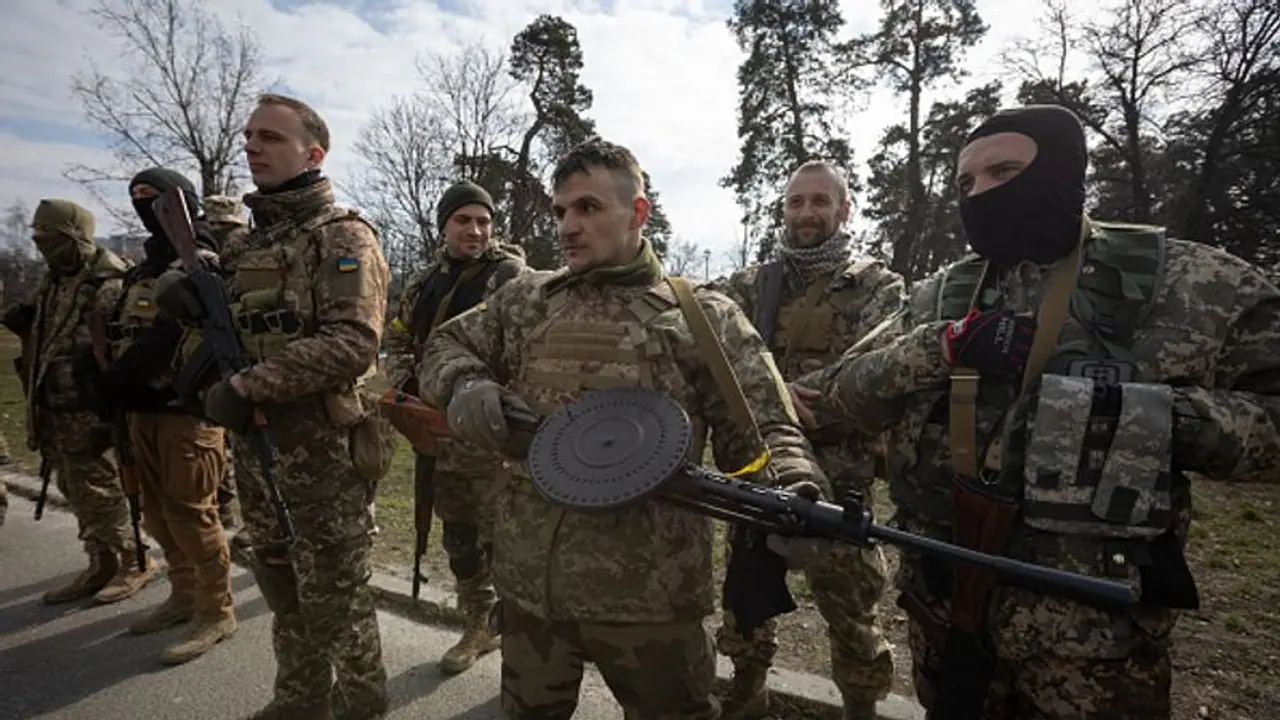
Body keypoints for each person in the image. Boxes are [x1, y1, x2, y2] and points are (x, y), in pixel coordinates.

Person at [802, 104, 1280, 719]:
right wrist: (942, 348)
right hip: (948, 615)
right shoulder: (941, 296)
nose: (981, 193)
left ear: (1064, 171)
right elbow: (833, 396)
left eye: (1003, 172)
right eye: (966, 183)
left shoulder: (1189, 283)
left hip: (1089, 646)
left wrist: (1129, 415)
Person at [418, 136, 830, 720]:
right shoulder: (527, 299)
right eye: (560, 210)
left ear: (638, 212)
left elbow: (765, 430)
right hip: (533, 590)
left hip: (650, 601)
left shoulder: (701, 316)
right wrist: (466, 385)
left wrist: (795, 490)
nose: (568, 226)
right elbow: (445, 344)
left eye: (588, 207)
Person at [167, 92, 393, 720]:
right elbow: (228, 335)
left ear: (313, 154)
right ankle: (301, 699)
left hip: (323, 458)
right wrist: (186, 304)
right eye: (249, 136)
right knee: (281, 588)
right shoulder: (245, 247)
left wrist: (247, 387)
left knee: (338, 600)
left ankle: (363, 707)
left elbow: (353, 342)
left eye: (270, 137)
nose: (252, 146)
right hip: (257, 452)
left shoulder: (342, 236)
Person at [710, 160, 901, 719]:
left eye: (820, 202)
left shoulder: (877, 286)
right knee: (747, 593)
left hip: (840, 474)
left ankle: (861, 704)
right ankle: (747, 687)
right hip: (759, 466)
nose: (806, 213)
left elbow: (881, 370)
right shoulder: (751, 285)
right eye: (796, 202)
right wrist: (772, 394)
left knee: (850, 603)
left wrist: (780, 393)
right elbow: (703, 340)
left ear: (844, 210)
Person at [89, 167, 237, 664]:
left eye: (153, 198)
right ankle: (183, 594)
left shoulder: (199, 260)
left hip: (183, 412)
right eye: (135, 197)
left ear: (182, 204)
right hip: (139, 410)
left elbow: (171, 335)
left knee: (193, 513)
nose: (143, 206)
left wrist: (120, 377)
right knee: (155, 512)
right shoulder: (142, 268)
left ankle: (216, 610)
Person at [382, 179, 526, 674]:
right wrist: (409, 388)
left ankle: (522, 640)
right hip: (435, 434)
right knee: (459, 536)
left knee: (505, 540)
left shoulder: (511, 277)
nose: (475, 230)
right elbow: (398, 338)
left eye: (484, 221)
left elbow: (525, 350)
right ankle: (478, 625)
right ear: (444, 225)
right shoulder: (423, 283)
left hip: (489, 436)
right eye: (464, 220)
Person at [9, 199, 157, 603]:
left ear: (76, 238)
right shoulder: (55, 281)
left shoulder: (108, 283)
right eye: (38, 237)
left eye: (51, 238)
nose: (42, 245)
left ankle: (135, 558)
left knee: (99, 487)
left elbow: (121, 348)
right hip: (55, 402)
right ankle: (100, 561)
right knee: (72, 484)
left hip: (90, 405)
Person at [202, 194, 250, 540]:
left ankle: (233, 516)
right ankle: (226, 515)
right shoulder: (206, 260)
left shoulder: (247, 253)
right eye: (214, 227)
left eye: (227, 228)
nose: (224, 236)